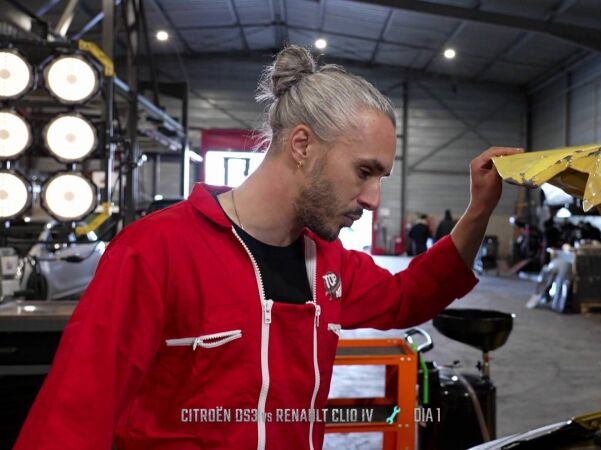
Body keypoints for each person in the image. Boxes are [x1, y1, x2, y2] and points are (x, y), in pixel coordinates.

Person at [14, 45, 522, 449]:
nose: (373, 199)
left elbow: (412, 294)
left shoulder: (328, 265)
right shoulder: (156, 252)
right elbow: (72, 418)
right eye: (364, 172)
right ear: (302, 146)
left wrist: (479, 209)